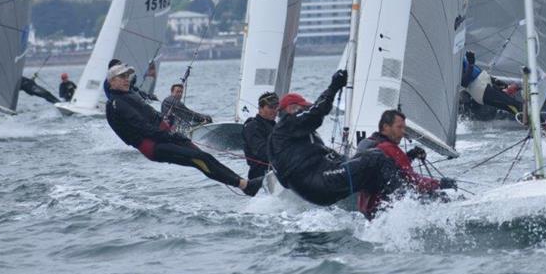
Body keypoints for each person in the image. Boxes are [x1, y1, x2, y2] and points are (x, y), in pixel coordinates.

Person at [105, 63, 261, 196]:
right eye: (122, 77)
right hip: (153, 146)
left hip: (165, 136)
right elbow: (142, 127)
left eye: (128, 76)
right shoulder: (116, 104)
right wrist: (169, 135)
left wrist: (168, 125)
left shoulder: (129, 93)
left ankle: (246, 184)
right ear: (112, 81)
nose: (127, 80)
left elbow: (150, 116)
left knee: (204, 156)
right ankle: (245, 187)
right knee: (200, 159)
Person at [268, 69, 402, 206]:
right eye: (304, 108)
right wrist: (334, 87)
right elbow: (316, 111)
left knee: (369, 168)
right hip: (318, 181)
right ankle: (403, 201)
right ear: (292, 108)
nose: (306, 110)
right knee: (376, 157)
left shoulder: (290, 135)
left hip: (314, 186)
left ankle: (381, 212)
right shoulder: (286, 124)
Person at [356, 110, 455, 219]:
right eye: (399, 127)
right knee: (442, 197)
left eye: (404, 128)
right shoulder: (389, 148)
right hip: (385, 211)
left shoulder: (367, 143)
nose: (403, 132)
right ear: (386, 127)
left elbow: (389, 170)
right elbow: (413, 181)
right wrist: (440, 184)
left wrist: (410, 156)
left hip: (366, 210)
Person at [461, 51, 522, 117]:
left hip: (485, 84)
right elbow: (464, 83)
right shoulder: (454, 64)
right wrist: (471, 65)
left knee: (510, 106)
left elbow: (480, 74)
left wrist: (505, 86)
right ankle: (526, 112)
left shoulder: (459, 56)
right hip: (480, 90)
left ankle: (524, 117)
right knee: (513, 103)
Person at [241, 91, 278, 180]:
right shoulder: (252, 127)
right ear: (260, 108)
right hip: (260, 176)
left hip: (277, 172)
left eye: (276, 107)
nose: (274, 110)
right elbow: (262, 151)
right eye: (270, 107)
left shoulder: (276, 126)